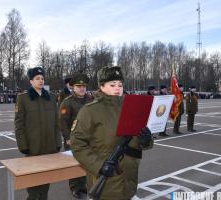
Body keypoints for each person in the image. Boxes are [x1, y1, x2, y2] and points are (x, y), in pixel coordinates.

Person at [70, 66, 153, 200]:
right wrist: (98, 166)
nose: (117, 88)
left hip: (129, 177)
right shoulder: (90, 111)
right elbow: (77, 144)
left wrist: (146, 140)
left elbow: (136, 141)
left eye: (120, 85)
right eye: (112, 84)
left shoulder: (132, 107)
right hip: (107, 178)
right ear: (101, 86)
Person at [14, 66, 61, 200]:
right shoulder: (23, 98)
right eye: (37, 78)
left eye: (42, 78)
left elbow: (56, 124)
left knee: (46, 181)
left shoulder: (51, 98)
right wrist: (23, 145)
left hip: (49, 146)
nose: (40, 81)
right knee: (33, 183)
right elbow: (19, 124)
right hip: (33, 147)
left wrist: (57, 142)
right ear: (31, 81)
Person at [59, 73, 93, 198]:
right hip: (73, 139)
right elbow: (63, 122)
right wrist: (67, 138)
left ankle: (84, 185)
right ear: (73, 87)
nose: (82, 88)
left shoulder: (91, 99)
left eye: (84, 86)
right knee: (74, 164)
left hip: (89, 139)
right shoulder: (67, 102)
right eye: (79, 86)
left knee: (87, 162)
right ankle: (76, 188)